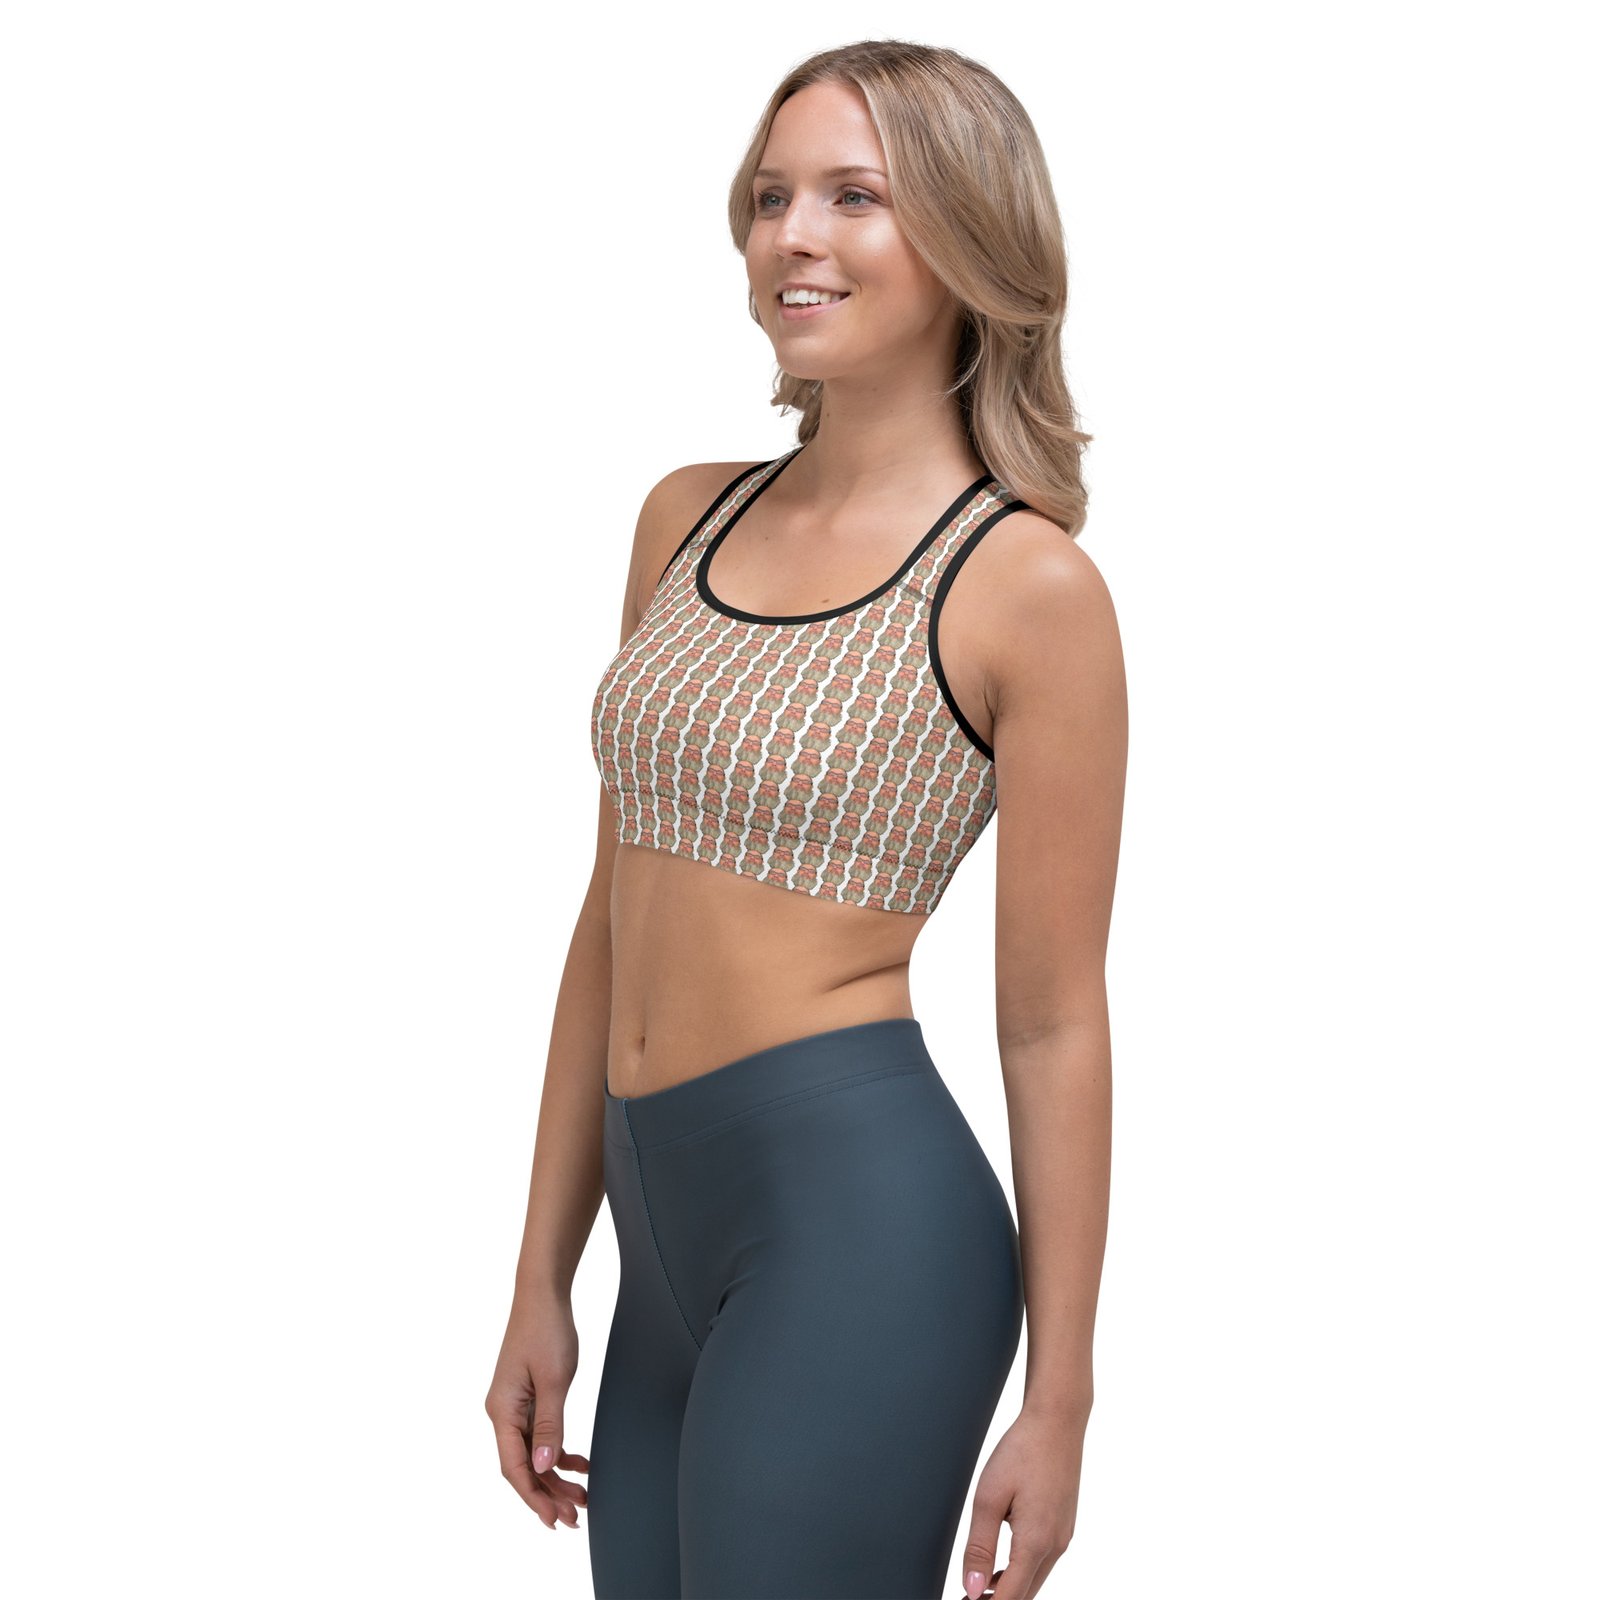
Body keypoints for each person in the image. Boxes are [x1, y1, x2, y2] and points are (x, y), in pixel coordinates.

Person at [486, 39, 1124, 1600]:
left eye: (854, 196)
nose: (795, 236)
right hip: (657, 1241)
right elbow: (610, 915)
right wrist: (541, 1276)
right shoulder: (683, 514)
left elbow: (1052, 1020)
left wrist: (1060, 1398)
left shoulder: (1027, 587)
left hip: (860, 1232)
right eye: (772, 198)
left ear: (969, 237)